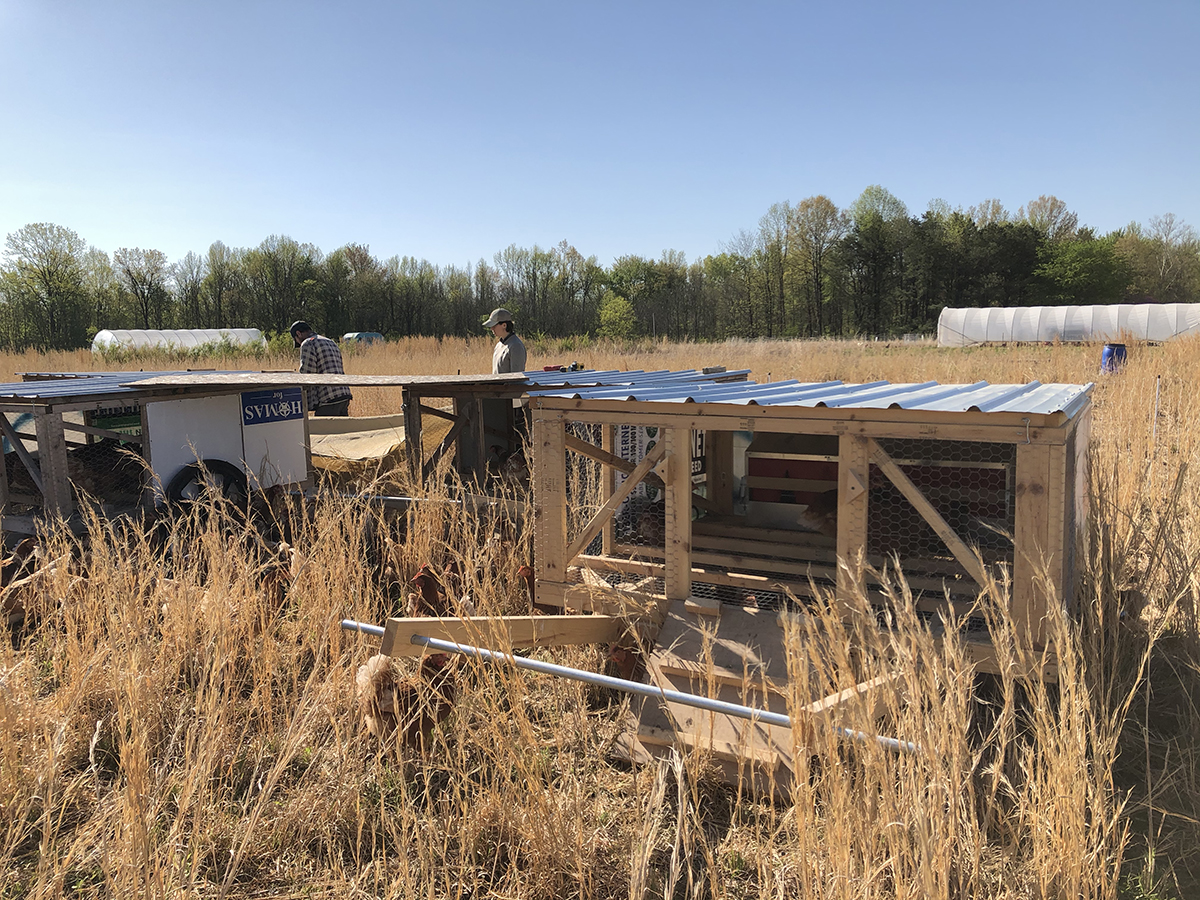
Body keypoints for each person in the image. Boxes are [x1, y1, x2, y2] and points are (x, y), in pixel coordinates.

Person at [289, 320, 352, 416]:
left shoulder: (308, 343)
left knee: (321, 429)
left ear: (298, 333)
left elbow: (307, 373)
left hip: (328, 397)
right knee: (343, 429)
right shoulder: (330, 341)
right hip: (344, 394)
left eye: (296, 340)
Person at [484, 308, 527, 375]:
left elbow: (517, 378)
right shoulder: (499, 345)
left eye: (494, 325)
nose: (491, 328)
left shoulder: (516, 346)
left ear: (504, 325)